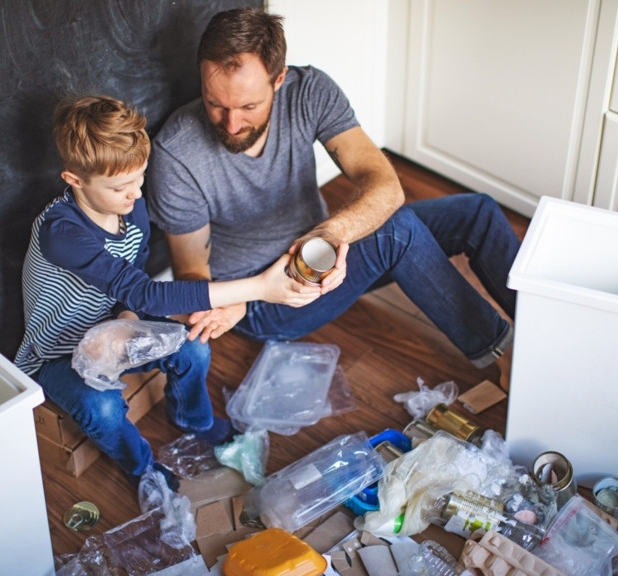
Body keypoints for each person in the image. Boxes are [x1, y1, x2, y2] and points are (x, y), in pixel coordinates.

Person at [146, 8, 521, 391]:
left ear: (279, 80)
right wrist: (242, 298)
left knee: (478, 212)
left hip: (321, 254)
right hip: (262, 298)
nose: (231, 124)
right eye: (215, 104)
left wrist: (331, 234)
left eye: (248, 107)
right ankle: (509, 358)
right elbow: (192, 275)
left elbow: (385, 186)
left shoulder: (309, 90)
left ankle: (547, 328)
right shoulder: (177, 153)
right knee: (396, 232)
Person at [14, 95, 321, 488]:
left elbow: (132, 282)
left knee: (193, 345)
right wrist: (260, 288)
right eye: (121, 186)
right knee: (102, 409)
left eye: (139, 178)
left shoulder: (130, 208)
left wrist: (126, 319)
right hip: (57, 352)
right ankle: (141, 468)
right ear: (74, 180)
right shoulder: (62, 233)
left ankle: (194, 420)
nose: (136, 194)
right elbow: (146, 292)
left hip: (114, 324)